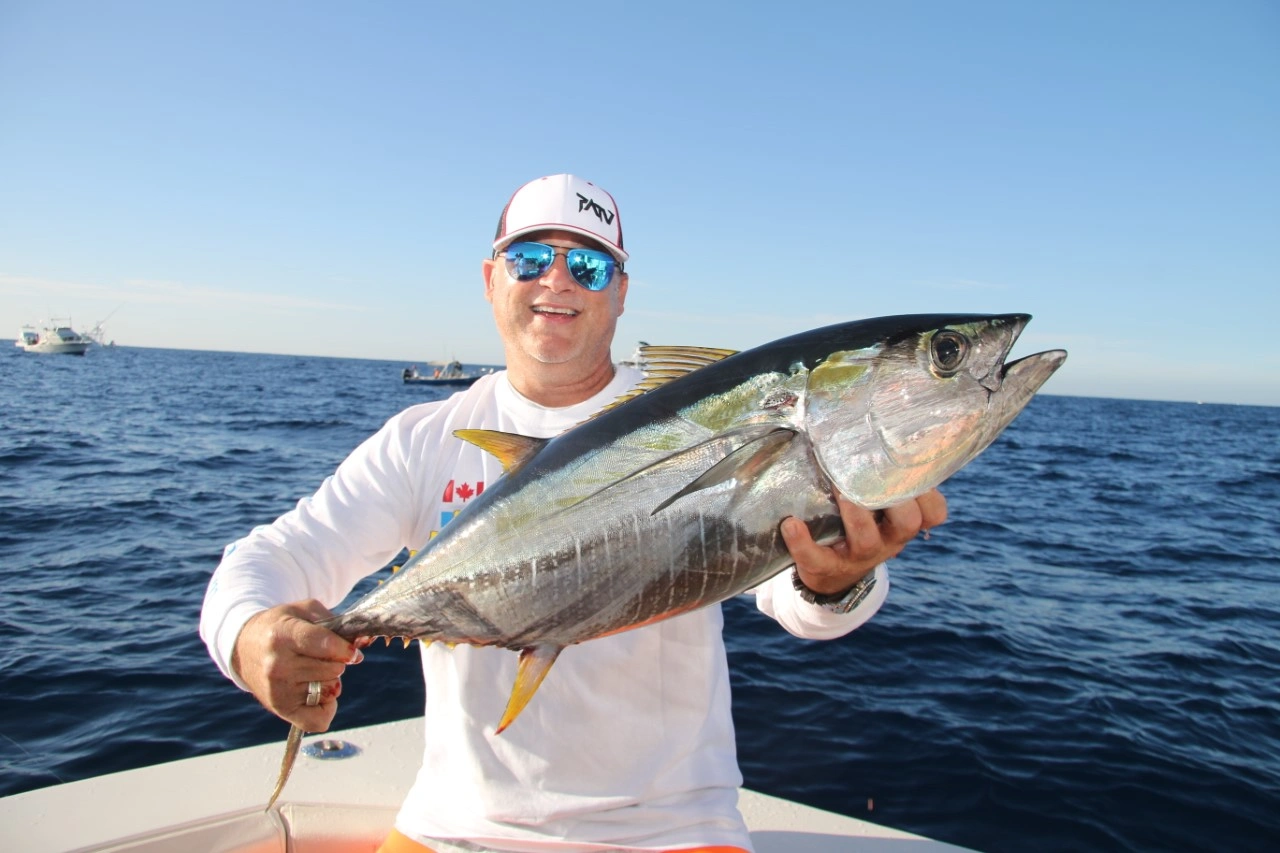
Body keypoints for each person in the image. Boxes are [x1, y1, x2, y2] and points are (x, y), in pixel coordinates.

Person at [200, 174, 947, 853]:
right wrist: (252, 636)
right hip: (453, 828)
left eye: (588, 265)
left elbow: (802, 601)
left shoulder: (709, 408)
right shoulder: (422, 440)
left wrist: (838, 581)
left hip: (671, 830)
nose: (557, 279)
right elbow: (264, 561)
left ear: (620, 293)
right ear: (492, 280)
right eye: (531, 259)